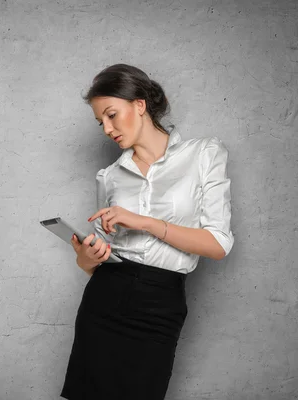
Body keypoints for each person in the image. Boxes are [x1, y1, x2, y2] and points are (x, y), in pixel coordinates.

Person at [60, 64, 234, 400]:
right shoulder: (109, 177)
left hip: (160, 303)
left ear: (139, 104)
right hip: (104, 298)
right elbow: (101, 255)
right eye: (101, 122)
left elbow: (218, 244)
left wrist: (145, 222)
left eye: (112, 115)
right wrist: (86, 258)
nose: (107, 128)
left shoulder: (203, 154)